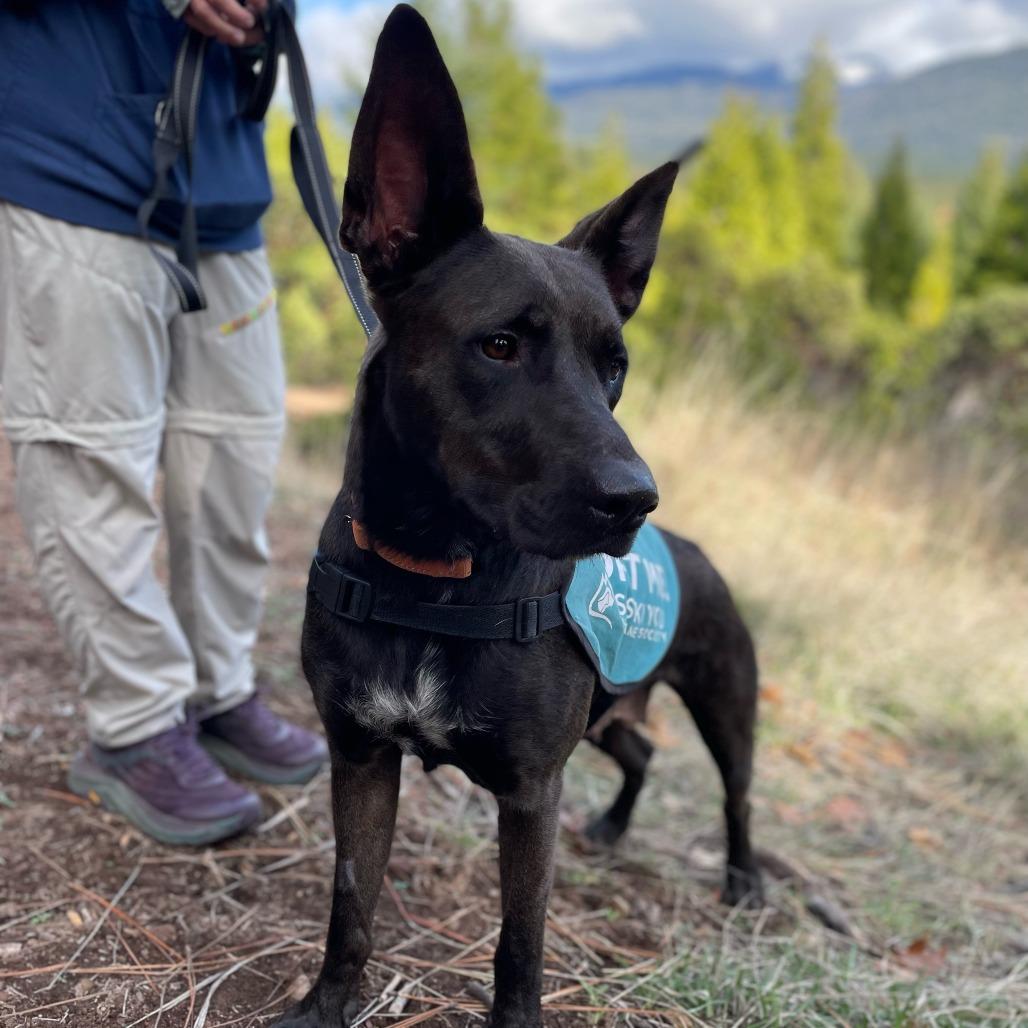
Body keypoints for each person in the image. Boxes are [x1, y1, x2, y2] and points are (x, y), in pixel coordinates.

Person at [0, 0, 327, 846]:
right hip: (69, 161)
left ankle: (216, 691)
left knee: (236, 457)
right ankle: (136, 726)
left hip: (221, 178)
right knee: (92, 466)